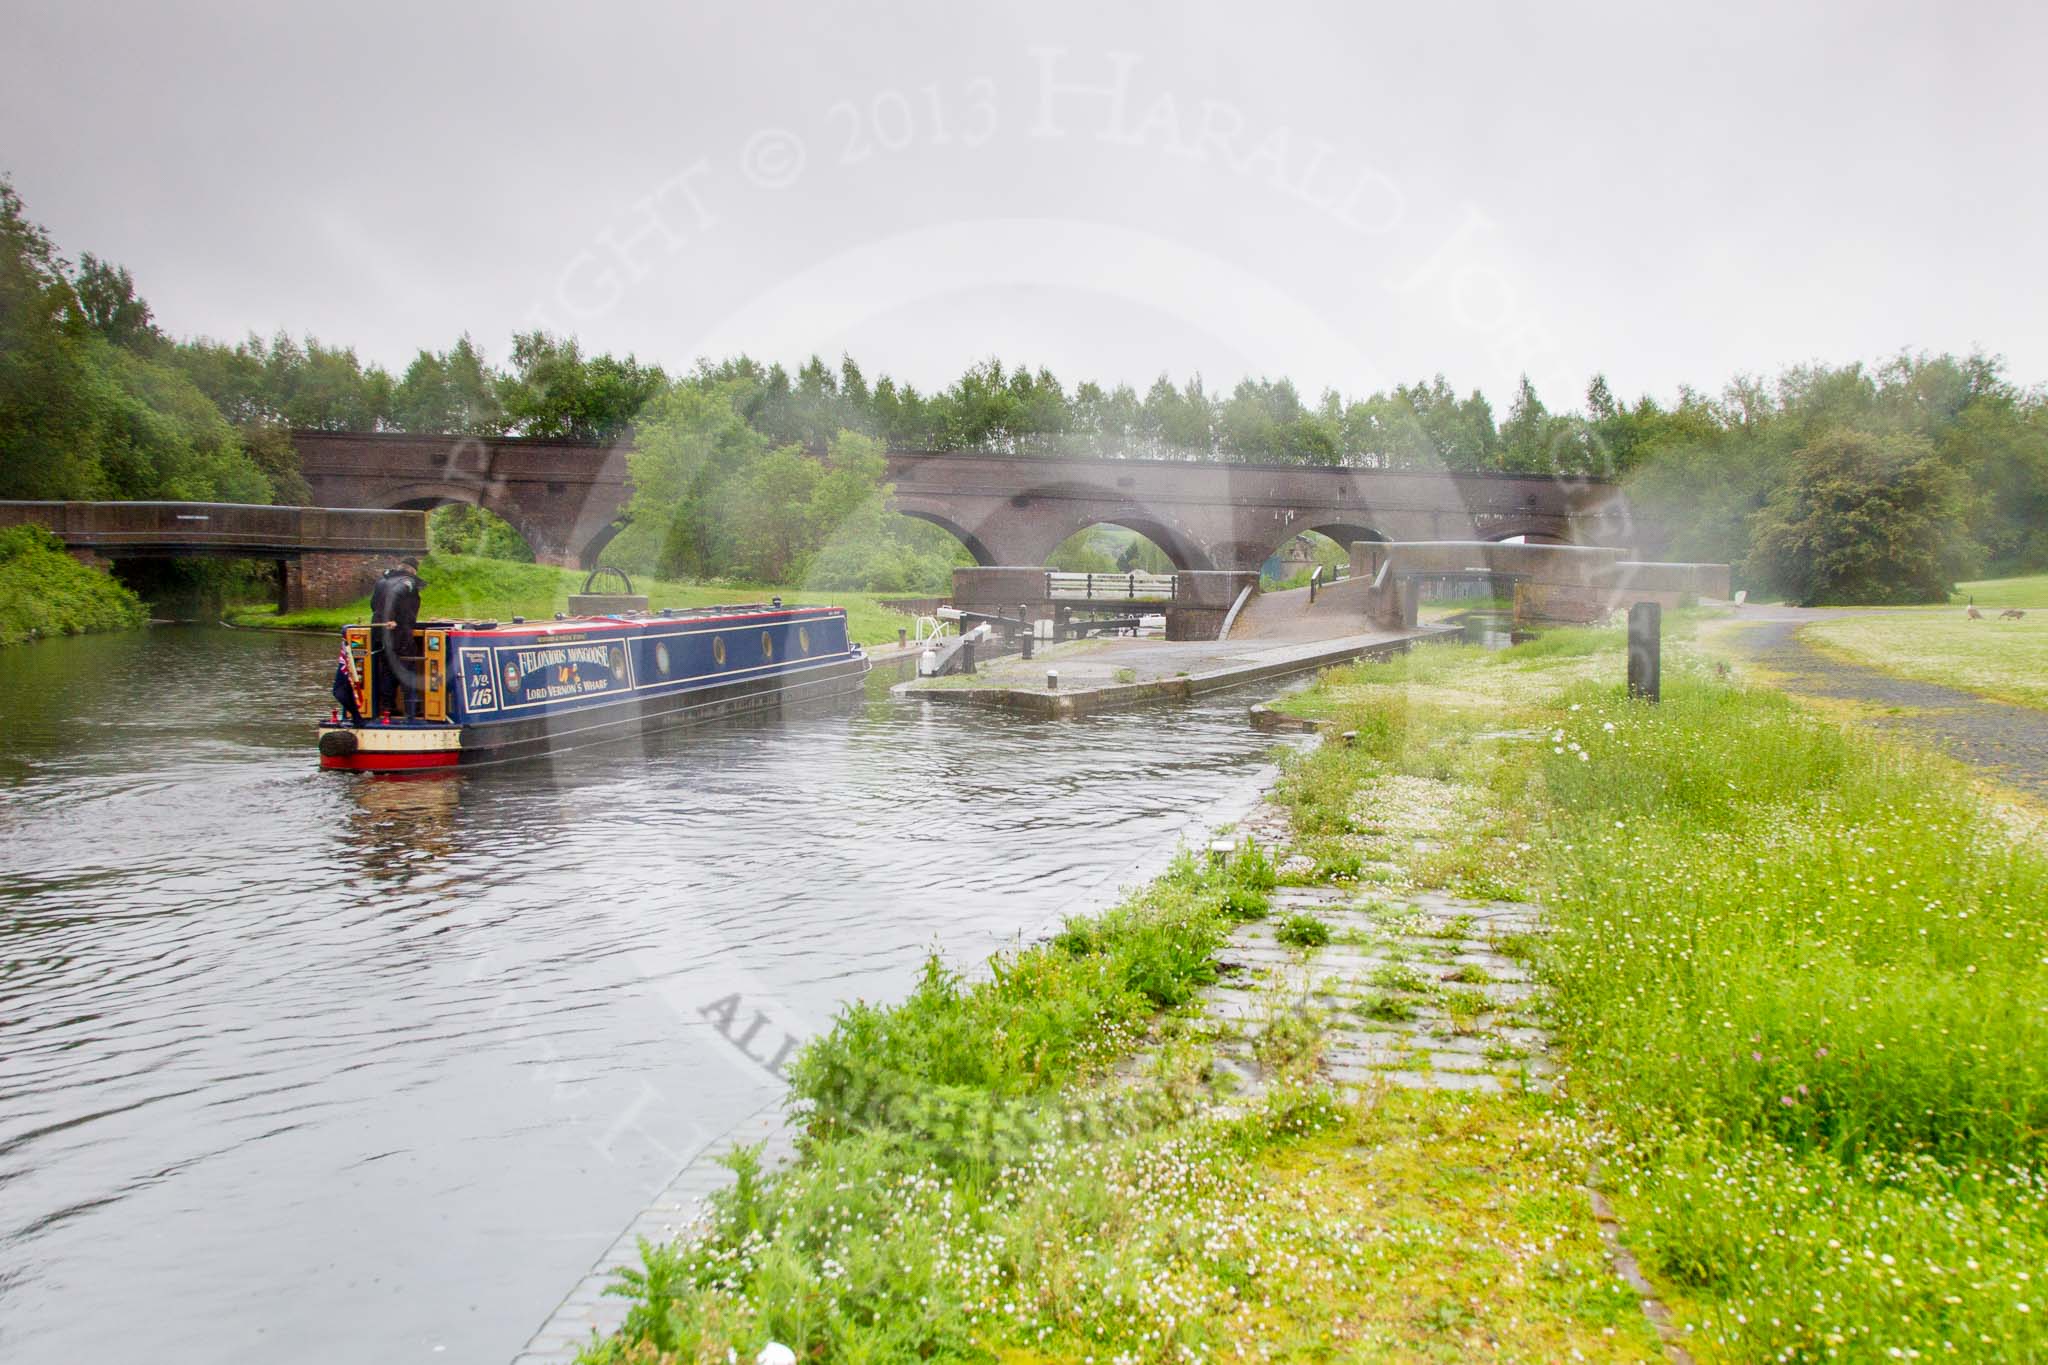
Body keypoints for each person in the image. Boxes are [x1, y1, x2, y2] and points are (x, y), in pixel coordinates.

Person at [369, 557, 425, 719]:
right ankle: (412, 710)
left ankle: (387, 708)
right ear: (413, 571)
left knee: (388, 668)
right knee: (408, 667)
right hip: (398, 632)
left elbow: (374, 604)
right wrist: (392, 618)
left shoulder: (382, 582)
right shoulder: (408, 583)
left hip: (379, 634)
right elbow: (395, 595)